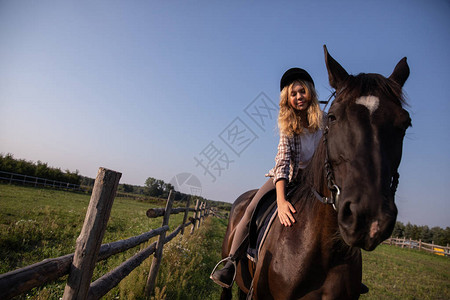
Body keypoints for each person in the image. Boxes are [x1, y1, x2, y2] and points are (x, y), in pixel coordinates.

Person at [210, 67, 323, 288]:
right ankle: (230, 264)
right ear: (287, 99)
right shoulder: (288, 126)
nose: (298, 97)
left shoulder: (326, 121)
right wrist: (281, 202)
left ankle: (347, 270)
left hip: (316, 183)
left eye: (302, 91)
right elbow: (281, 164)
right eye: (293, 94)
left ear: (310, 92)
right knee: (250, 210)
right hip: (288, 176)